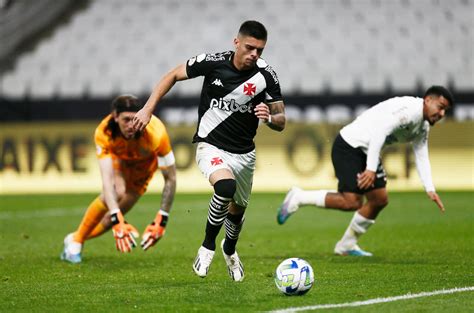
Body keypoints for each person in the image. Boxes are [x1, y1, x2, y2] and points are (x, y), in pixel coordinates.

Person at [133, 20, 286, 281]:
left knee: (237, 209)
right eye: (250, 47)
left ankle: (229, 249)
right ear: (236, 42)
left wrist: (270, 119)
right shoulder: (214, 62)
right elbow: (172, 75)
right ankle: (207, 246)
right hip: (210, 144)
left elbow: (281, 118)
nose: (254, 55)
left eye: (260, 50)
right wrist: (148, 108)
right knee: (224, 188)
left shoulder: (266, 75)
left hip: (244, 154)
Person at [277, 86, 454, 256]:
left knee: (379, 200)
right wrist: (370, 169)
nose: (441, 114)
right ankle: (299, 197)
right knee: (351, 202)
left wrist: (429, 188)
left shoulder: (422, 126)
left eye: (445, 110)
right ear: (428, 100)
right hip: (349, 146)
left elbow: (421, 153)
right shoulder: (409, 111)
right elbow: (379, 133)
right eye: (440, 107)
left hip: (366, 150)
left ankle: (346, 245)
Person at [61, 95, 177, 263]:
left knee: (111, 221)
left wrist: (162, 217)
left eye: (135, 119)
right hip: (120, 163)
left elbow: (171, 178)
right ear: (115, 116)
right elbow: (107, 182)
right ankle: (76, 244)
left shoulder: (156, 134)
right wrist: (117, 216)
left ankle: (74, 238)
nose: (131, 125)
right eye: (126, 120)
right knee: (116, 193)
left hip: (142, 171)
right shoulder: (104, 132)